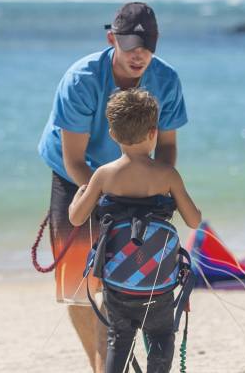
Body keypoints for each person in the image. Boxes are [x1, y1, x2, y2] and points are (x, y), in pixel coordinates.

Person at [36, 2, 188, 372]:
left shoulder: (166, 80)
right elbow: (75, 160)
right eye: (131, 46)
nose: (140, 56)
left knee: (126, 278)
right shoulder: (82, 79)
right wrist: (103, 193)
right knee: (78, 286)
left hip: (136, 179)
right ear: (111, 39)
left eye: (147, 47)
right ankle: (100, 364)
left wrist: (156, 190)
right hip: (77, 176)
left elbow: (166, 149)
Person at [69, 88, 201, 373]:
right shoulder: (167, 174)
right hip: (159, 283)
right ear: (154, 132)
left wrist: (79, 195)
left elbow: (78, 218)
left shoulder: (104, 174)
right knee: (161, 337)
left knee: (119, 340)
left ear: (113, 134)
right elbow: (193, 221)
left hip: (118, 284)